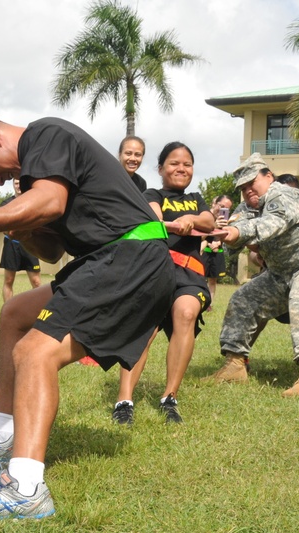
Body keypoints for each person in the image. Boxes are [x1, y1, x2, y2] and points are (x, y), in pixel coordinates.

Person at [0, 117, 179, 521]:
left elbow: (51, 203)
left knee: (35, 352)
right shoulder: (39, 177)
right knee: (16, 314)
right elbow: (48, 252)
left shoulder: (44, 134)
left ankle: (25, 488)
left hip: (129, 257)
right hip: (111, 259)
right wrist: (20, 225)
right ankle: (5, 431)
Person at [206, 153, 299, 397]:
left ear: (269, 177)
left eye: (252, 183)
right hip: (284, 270)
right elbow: (234, 240)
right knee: (245, 298)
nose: (248, 190)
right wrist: (226, 231)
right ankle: (235, 365)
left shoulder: (283, 194)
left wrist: (236, 231)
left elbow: (272, 224)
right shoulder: (247, 207)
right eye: (243, 188)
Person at [111, 141, 213, 426]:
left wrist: (192, 218)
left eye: (187, 164)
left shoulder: (196, 198)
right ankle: (124, 399)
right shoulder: (151, 193)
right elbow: (153, 215)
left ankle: (170, 397)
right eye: (174, 163)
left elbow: (208, 219)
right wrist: (173, 225)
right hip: (155, 272)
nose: (181, 168)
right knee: (145, 328)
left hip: (189, 277)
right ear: (160, 168)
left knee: (186, 312)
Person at [0, 178, 42, 301]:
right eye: (16, 183)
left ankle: (39, 310)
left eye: (20, 183)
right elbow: (2, 226)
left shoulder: (32, 202)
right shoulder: (6, 204)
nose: (18, 186)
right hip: (11, 244)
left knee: (36, 281)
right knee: (9, 280)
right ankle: (8, 310)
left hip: (30, 244)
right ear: (13, 184)